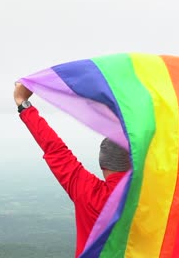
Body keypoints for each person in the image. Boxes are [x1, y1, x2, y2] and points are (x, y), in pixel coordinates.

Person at [13, 82, 130, 257]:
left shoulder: (91, 194)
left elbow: (54, 149)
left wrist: (22, 102)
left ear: (103, 164)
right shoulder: (153, 196)